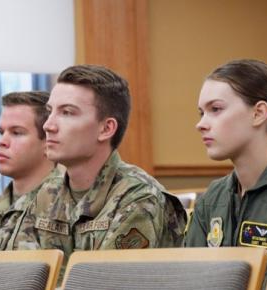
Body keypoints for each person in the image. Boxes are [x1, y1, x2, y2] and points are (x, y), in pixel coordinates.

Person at [32, 64, 186, 272]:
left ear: (106, 129)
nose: (48, 125)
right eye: (50, 112)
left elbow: (105, 282)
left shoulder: (139, 198)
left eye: (67, 113)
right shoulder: (46, 192)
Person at [185, 59, 267, 286]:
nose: (201, 124)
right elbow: (188, 277)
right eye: (201, 113)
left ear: (258, 113)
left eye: (215, 109)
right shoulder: (213, 197)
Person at [0, 91, 64, 252]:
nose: (2, 142)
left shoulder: (70, 209)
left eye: (16, 133)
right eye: (2, 132)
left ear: (48, 142)